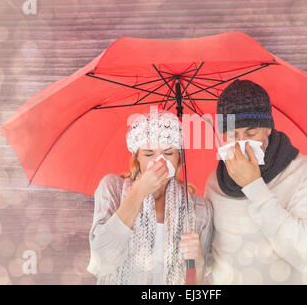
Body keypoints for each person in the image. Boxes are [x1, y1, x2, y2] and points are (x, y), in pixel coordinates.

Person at [204, 79, 307, 284]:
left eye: (251, 133)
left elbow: (306, 253)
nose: (242, 142)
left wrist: (254, 186)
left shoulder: (304, 170)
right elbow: (212, 259)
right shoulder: (215, 182)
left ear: (268, 128)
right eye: (233, 135)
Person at [87, 109, 213, 285]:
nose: (160, 162)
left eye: (169, 153)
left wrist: (198, 266)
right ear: (137, 157)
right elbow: (101, 262)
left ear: (179, 157)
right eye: (148, 154)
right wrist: (138, 192)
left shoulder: (199, 210)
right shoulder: (113, 189)